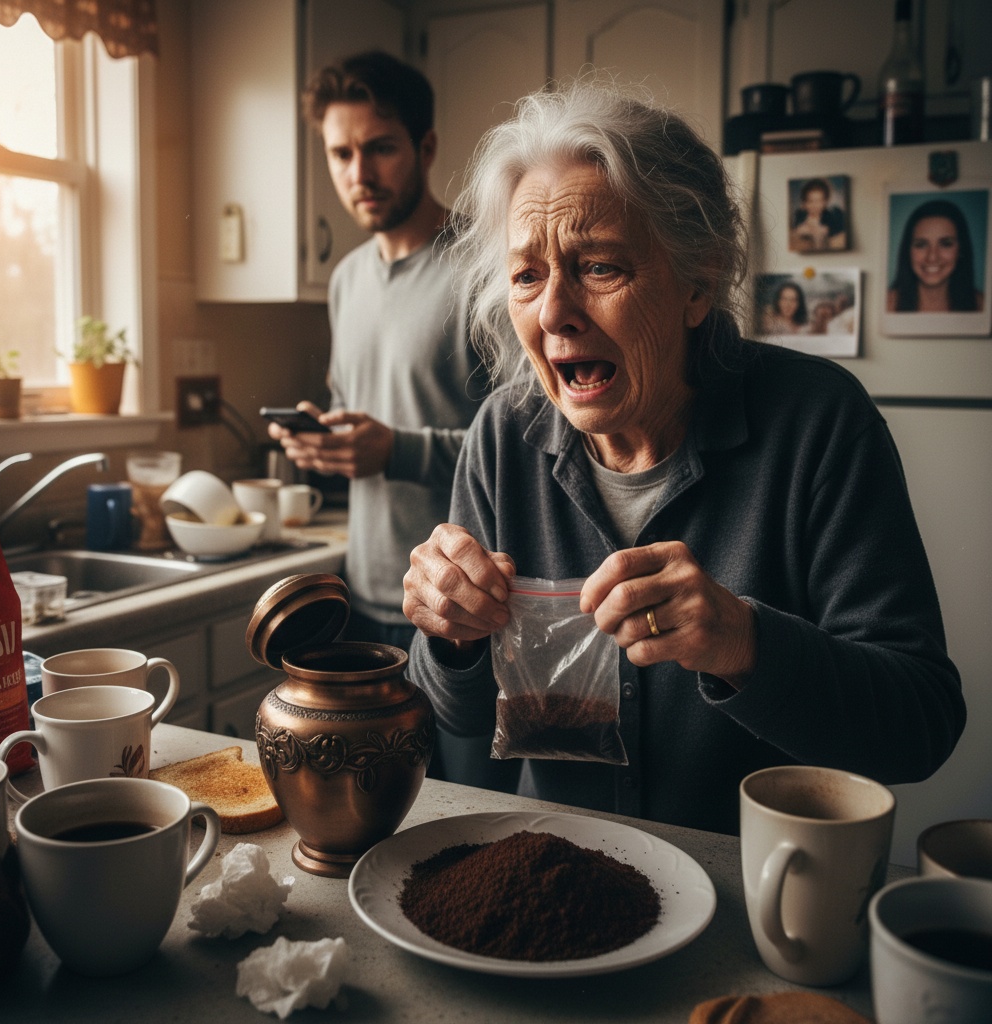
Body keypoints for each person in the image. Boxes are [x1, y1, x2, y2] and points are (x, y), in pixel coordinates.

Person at [402, 82, 965, 835]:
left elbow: (920, 723)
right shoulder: (502, 436)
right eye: (527, 275)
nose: (554, 312)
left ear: (698, 282)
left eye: (598, 266)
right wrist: (450, 634)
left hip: (759, 905)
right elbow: (455, 714)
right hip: (564, 889)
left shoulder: (820, 422)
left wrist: (744, 642)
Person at [268, 51, 517, 791]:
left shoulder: (486, 268)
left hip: (465, 609)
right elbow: (368, 418)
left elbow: (537, 440)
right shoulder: (346, 280)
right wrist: (323, 442)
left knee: (470, 815)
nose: (359, 173)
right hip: (367, 599)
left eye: (380, 147)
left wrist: (396, 450)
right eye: (341, 153)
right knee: (379, 822)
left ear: (426, 148)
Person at [887, 199, 985, 312]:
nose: (932, 257)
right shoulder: (886, 304)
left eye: (945, 244)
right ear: (908, 251)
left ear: (961, 250)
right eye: (921, 245)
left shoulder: (982, 305)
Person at [790, 178, 846, 252]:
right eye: (811, 201)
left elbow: (837, 233)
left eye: (819, 201)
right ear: (804, 203)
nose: (815, 205)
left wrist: (824, 231)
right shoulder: (799, 216)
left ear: (825, 202)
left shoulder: (831, 216)